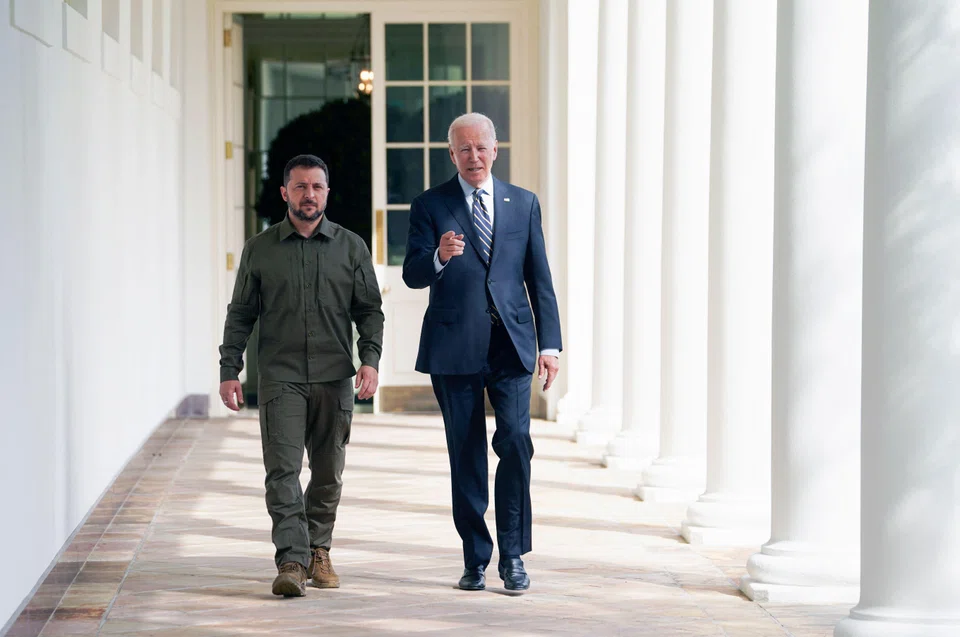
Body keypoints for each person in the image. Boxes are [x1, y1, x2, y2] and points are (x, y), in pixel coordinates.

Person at [402, 113, 562, 592]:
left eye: (481, 148)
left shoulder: (523, 203)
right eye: (463, 149)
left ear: (495, 150)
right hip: (455, 347)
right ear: (451, 155)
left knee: (515, 444)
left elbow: (539, 279)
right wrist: (438, 257)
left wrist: (549, 344)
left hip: (511, 346)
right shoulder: (430, 205)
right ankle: (475, 557)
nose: (473, 156)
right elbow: (412, 273)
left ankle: (513, 556)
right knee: (465, 454)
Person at [218, 154, 384, 597]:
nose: (308, 194)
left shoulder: (351, 247)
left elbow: (369, 311)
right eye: (299, 186)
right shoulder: (260, 249)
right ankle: (291, 560)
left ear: (327, 193)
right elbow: (240, 315)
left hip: (334, 376)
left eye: (316, 187)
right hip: (281, 377)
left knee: (328, 472)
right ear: (284, 192)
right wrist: (229, 369)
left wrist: (370, 359)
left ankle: (318, 549)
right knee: (283, 471)